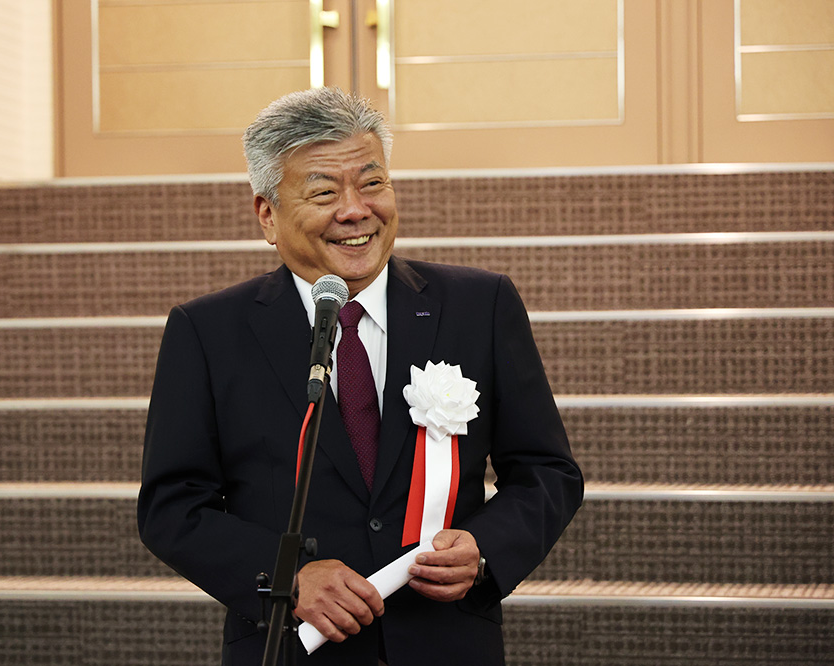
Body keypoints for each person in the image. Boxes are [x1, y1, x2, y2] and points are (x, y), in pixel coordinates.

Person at [138, 87, 583, 665]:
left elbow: (547, 471)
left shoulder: (480, 306)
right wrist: (288, 576)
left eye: (372, 183)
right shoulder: (208, 332)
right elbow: (172, 507)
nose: (355, 210)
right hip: (295, 647)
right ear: (267, 214)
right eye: (324, 191)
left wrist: (484, 549)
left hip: (445, 642)